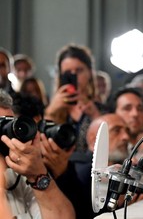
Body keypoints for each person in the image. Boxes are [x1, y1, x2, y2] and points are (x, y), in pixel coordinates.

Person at [0, 90, 76, 219]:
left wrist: (37, 173)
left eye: (9, 124)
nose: (9, 135)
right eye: (1, 126)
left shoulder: (18, 175)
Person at [45, 44, 101, 153]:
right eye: (67, 73)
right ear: (60, 76)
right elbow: (43, 143)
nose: (74, 76)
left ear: (89, 72)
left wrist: (95, 115)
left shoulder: (101, 109)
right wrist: (50, 112)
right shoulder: (54, 108)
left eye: (79, 70)